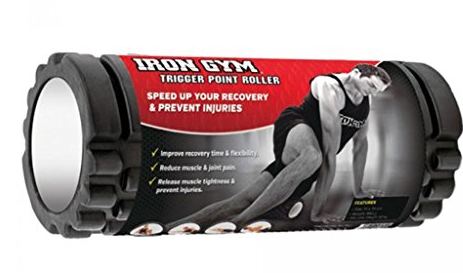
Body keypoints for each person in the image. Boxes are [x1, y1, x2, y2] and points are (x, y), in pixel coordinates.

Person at [166, 64, 391, 232]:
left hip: (304, 165)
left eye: (377, 91)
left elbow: (360, 145)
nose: (373, 93)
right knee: (313, 156)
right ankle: (240, 221)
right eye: (371, 86)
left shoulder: (365, 99)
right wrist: (317, 212)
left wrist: (358, 190)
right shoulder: (329, 86)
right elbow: (328, 155)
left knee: (241, 200)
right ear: (356, 73)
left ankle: (168, 227)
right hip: (295, 128)